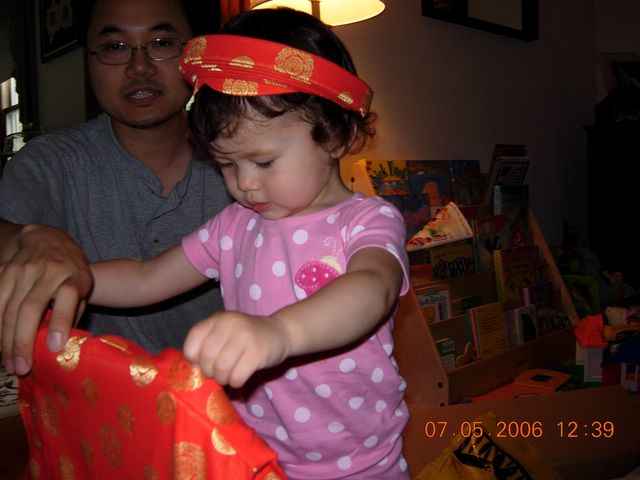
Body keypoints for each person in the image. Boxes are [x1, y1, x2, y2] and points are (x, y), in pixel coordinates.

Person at [88, 8, 411, 478]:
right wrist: (75, 278)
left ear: (335, 136)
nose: (244, 184)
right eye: (227, 164)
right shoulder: (234, 227)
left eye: (263, 162)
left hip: (359, 463)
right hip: (250, 454)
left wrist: (279, 333)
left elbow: (371, 288)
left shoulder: (366, 221)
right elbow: (145, 278)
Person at [0, 0, 230, 376]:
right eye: (115, 47)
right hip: (101, 398)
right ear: (88, 61)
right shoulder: (51, 162)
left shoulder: (249, 158)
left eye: (162, 43)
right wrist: (28, 239)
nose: (139, 67)